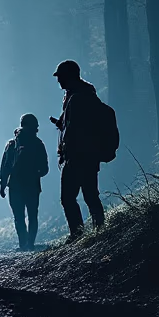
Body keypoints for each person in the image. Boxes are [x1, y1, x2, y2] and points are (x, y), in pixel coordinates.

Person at [51, 60, 106, 241]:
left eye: (60, 77)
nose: (59, 81)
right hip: (88, 155)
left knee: (69, 198)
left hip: (77, 156)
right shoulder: (81, 95)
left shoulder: (77, 98)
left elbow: (76, 129)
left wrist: (67, 150)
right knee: (90, 194)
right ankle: (99, 230)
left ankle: (78, 234)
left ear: (68, 76)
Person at [0, 114, 49, 250]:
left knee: (19, 217)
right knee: (33, 215)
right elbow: (45, 169)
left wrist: (3, 185)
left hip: (15, 186)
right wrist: (35, 174)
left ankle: (23, 244)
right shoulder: (38, 144)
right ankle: (30, 244)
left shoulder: (12, 144)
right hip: (33, 185)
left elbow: (5, 167)